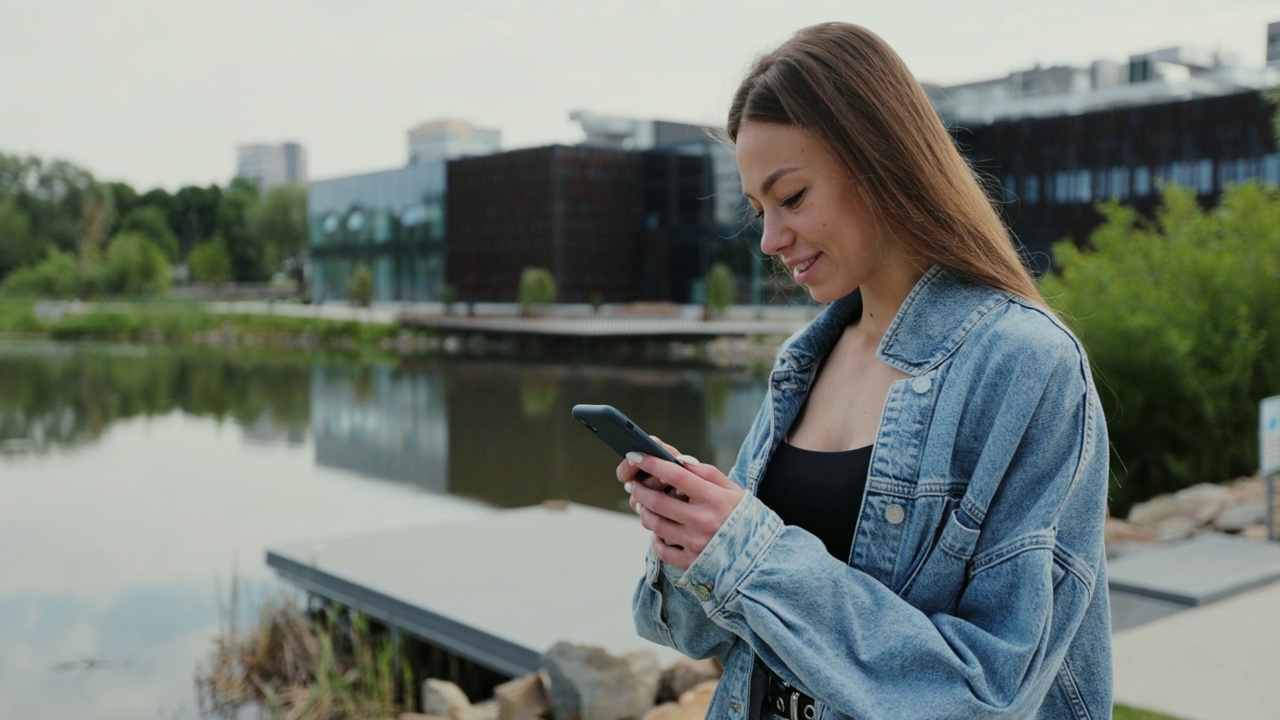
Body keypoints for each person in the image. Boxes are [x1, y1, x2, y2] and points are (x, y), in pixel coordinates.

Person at [616, 22, 1112, 720]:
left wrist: (751, 555)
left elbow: (990, 693)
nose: (769, 239)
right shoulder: (804, 363)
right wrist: (691, 533)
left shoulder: (1026, 367)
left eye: (791, 198)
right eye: (758, 210)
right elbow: (703, 635)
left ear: (880, 160)